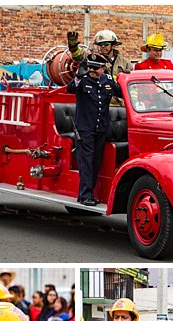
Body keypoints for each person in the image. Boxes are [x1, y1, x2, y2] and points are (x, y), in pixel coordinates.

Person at [65, 53, 117, 206]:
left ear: (103, 68)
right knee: (86, 161)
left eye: (97, 68)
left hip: (101, 127)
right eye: (91, 67)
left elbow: (120, 91)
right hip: (85, 128)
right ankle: (85, 195)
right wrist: (78, 77)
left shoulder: (107, 80)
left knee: (96, 161)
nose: (93, 71)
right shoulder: (83, 80)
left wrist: (125, 77)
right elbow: (70, 89)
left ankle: (89, 193)